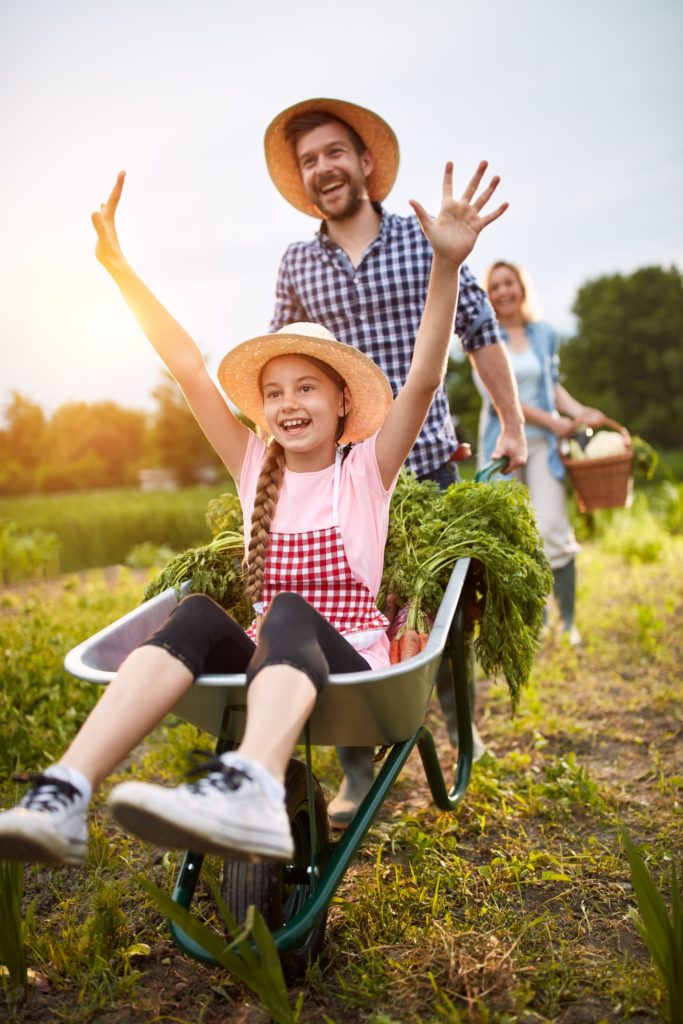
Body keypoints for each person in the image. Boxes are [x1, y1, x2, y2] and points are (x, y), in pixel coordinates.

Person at [0, 159, 507, 865]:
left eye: (307, 387)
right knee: (199, 615)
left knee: (289, 610)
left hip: (352, 672)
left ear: (342, 403)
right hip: (274, 666)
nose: (288, 403)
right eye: (274, 393)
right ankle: (64, 793)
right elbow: (186, 366)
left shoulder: (365, 470)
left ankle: (253, 788)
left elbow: (423, 377)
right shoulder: (252, 466)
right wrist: (120, 272)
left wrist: (445, 265)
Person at [263, 98, 525, 822]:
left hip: (426, 466)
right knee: (341, 610)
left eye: (334, 152)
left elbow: (478, 330)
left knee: (439, 616)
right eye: (309, 160)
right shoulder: (296, 264)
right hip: (339, 480)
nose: (323, 168)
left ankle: (455, 724)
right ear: (302, 178)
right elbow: (279, 365)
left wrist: (511, 423)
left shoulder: (421, 239)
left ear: (365, 162)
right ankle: (356, 767)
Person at [479, 260, 612, 646]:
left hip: (542, 446)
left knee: (553, 527)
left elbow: (552, 387)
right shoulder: (483, 337)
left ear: (521, 288)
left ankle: (567, 622)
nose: (503, 291)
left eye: (509, 283)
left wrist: (579, 412)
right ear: (489, 297)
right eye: (495, 287)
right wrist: (554, 422)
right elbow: (500, 397)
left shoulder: (544, 334)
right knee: (514, 536)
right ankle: (532, 622)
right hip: (504, 446)